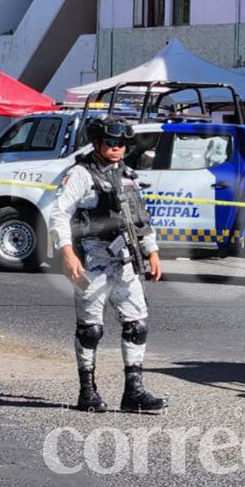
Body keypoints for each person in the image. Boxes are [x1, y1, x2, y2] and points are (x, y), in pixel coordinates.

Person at [48, 116, 167, 413]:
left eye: (122, 144)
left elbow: (140, 218)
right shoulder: (79, 174)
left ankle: (133, 392)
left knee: (137, 325)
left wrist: (152, 252)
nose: (116, 148)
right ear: (97, 143)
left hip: (126, 262)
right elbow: (59, 215)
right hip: (92, 261)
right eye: (111, 143)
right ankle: (87, 391)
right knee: (90, 330)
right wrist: (67, 253)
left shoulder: (127, 174)